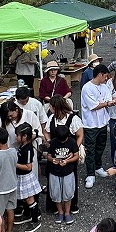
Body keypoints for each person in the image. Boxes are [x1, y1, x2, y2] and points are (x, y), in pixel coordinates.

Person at [44, 94, 84, 224]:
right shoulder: (52, 119)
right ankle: (56, 207)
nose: (50, 109)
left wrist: (74, 151)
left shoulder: (73, 119)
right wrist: (48, 141)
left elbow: (79, 135)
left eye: (51, 106)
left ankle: (71, 206)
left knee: (70, 180)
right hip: (55, 153)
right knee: (54, 180)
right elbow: (47, 132)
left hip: (70, 153)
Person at [12, 123, 43, 232]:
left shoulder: (28, 149)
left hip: (26, 177)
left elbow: (28, 167)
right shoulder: (23, 146)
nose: (16, 137)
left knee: (30, 200)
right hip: (21, 176)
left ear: (24, 136)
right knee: (25, 198)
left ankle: (35, 220)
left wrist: (14, 164)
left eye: (17, 135)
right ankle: (28, 215)